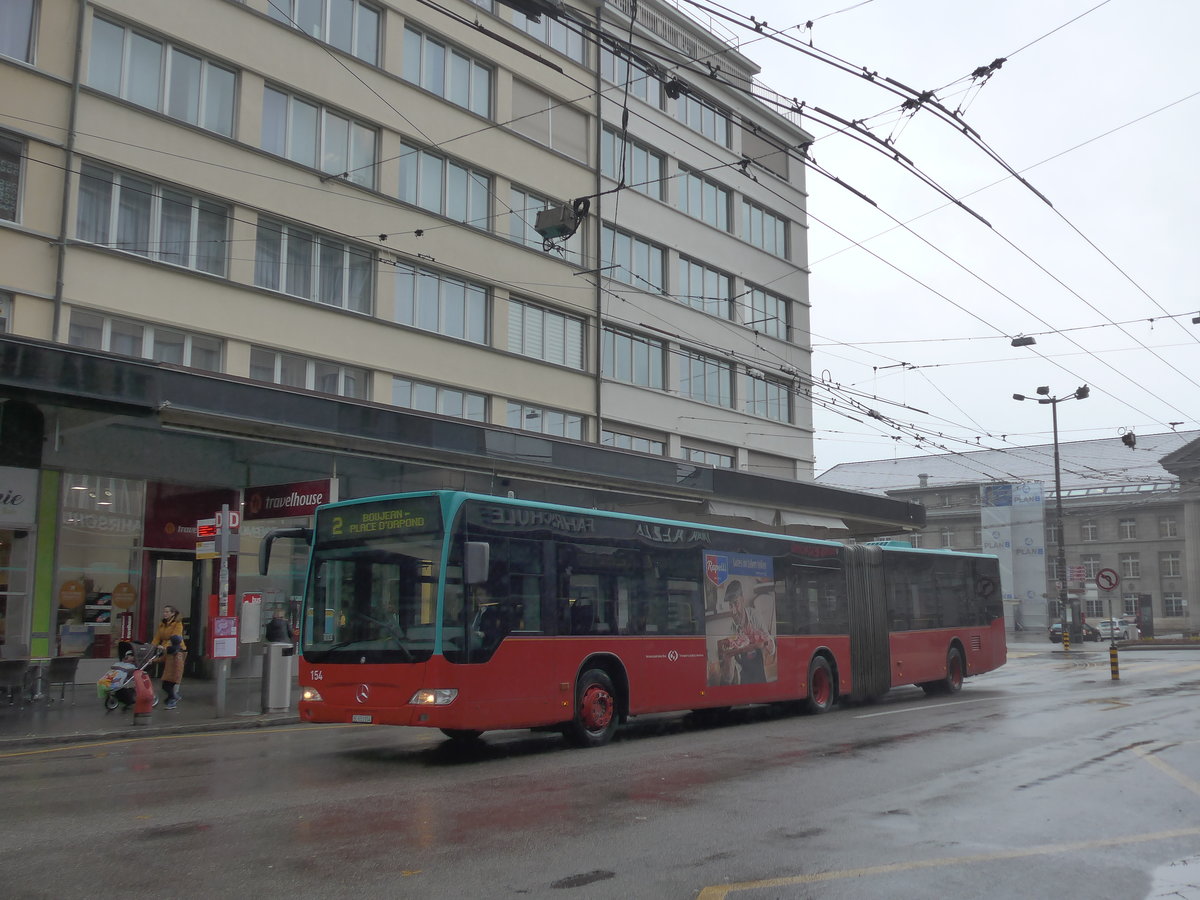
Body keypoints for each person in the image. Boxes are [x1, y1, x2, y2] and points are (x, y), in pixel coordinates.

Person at [153, 605, 187, 709]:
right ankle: (172, 696)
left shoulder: (177, 624)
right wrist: (153, 646)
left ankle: (173, 697)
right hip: (166, 650)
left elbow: (174, 638)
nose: (165, 613)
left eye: (167, 612)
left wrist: (163, 647)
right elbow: (157, 637)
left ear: (173, 613)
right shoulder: (162, 624)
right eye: (164, 612)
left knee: (171, 677)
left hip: (176, 648)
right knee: (167, 675)